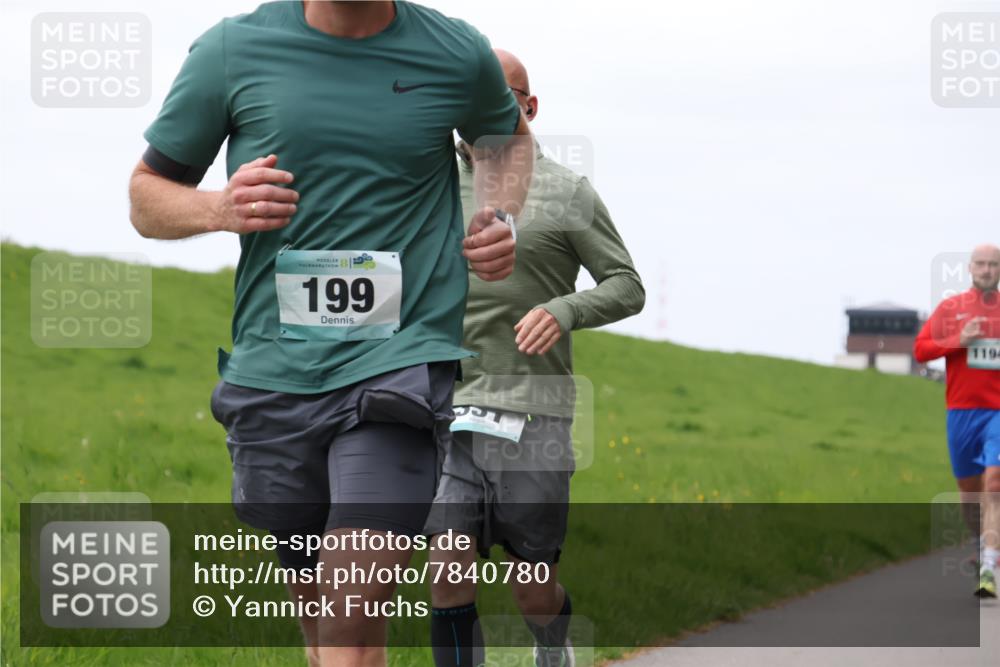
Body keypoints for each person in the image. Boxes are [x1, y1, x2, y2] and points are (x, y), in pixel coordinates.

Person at [128, 2, 534, 665]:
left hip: (400, 364)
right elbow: (146, 197)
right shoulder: (232, 51)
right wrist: (218, 207)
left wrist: (498, 214)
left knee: (349, 614)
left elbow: (509, 138)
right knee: (326, 630)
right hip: (275, 375)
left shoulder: (455, 52)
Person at [425, 49, 645, 667]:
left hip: (535, 413)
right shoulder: (435, 180)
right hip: (446, 406)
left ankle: (553, 643)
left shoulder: (568, 191)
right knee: (446, 569)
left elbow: (627, 284)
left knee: (531, 585)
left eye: (502, 98)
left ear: (529, 106)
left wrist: (565, 309)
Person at [914, 243, 1000, 598]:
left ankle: (989, 567)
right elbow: (921, 351)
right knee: (970, 491)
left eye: (993, 265)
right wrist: (958, 340)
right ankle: (982, 544)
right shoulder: (951, 309)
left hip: (998, 412)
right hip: (962, 412)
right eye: (980, 264)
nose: (986, 270)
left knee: (994, 483)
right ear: (969, 269)